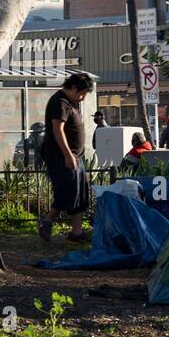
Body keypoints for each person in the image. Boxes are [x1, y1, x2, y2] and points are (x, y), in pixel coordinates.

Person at [37, 73, 94, 244]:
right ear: (74, 88)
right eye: (82, 93)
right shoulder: (60, 102)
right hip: (62, 157)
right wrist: (68, 155)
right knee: (67, 191)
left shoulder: (71, 102)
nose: (83, 98)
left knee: (80, 193)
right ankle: (47, 220)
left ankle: (76, 232)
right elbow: (57, 130)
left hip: (76, 156)